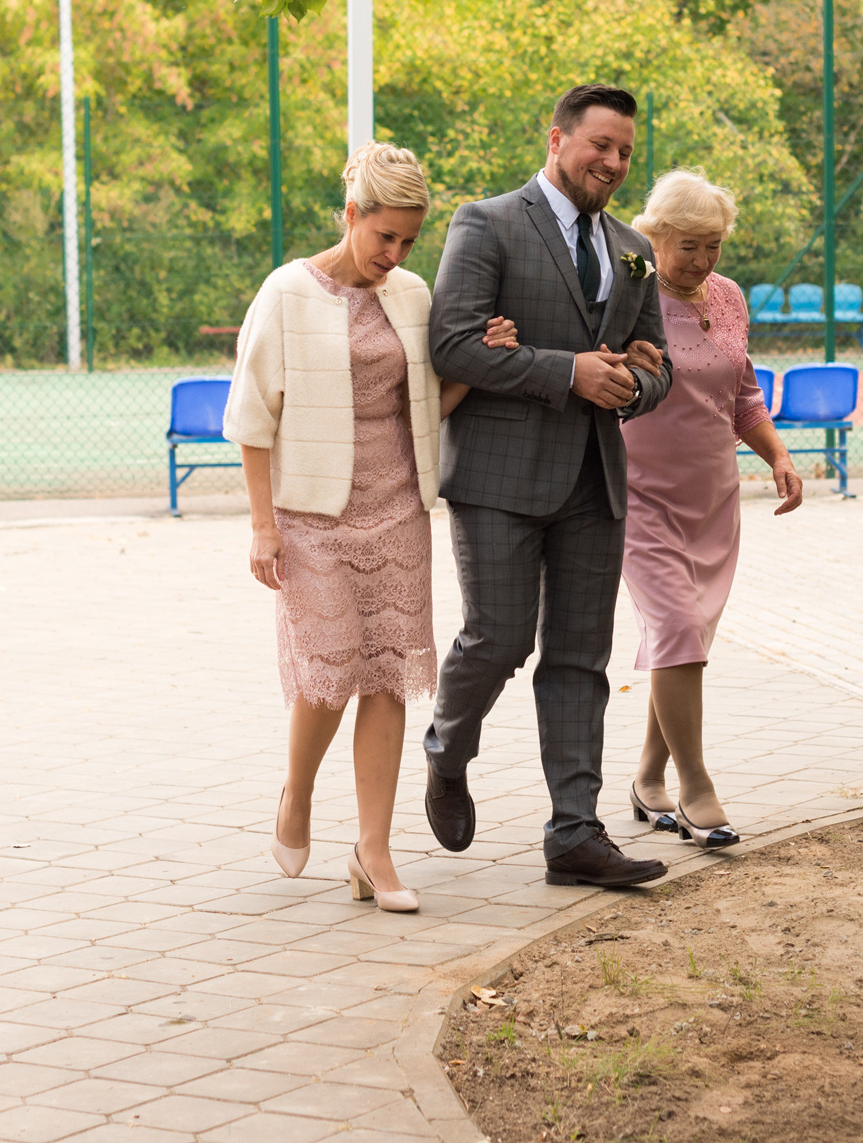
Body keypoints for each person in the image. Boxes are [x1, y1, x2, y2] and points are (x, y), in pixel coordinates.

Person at [226, 142, 514, 912]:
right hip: (311, 516)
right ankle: (297, 791)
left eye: (409, 241)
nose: (395, 254)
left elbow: (423, 406)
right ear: (351, 214)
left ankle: (373, 851)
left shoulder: (411, 295)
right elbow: (251, 418)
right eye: (384, 236)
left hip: (397, 510)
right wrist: (262, 526)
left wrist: (477, 364)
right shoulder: (287, 292)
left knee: (388, 677)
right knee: (328, 674)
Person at [421, 84, 677, 889]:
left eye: (626, 151)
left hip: (594, 480)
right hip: (497, 475)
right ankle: (446, 752)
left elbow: (656, 364)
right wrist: (569, 372)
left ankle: (575, 833)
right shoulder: (487, 222)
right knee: (497, 640)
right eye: (601, 144)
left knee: (579, 659)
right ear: (558, 140)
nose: (614, 161)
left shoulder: (634, 248)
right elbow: (452, 346)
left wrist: (633, 387)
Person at [617, 170, 803, 849]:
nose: (702, 260)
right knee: (676, 629)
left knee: (685, 641)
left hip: (712, 498)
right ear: (655, 236)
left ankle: (648, 777)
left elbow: (743, 394)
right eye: (689, 246)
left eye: (713, 245)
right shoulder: (628, 293)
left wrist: (777, 456)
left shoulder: (727, 296)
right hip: (639, 493)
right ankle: (696, 787)